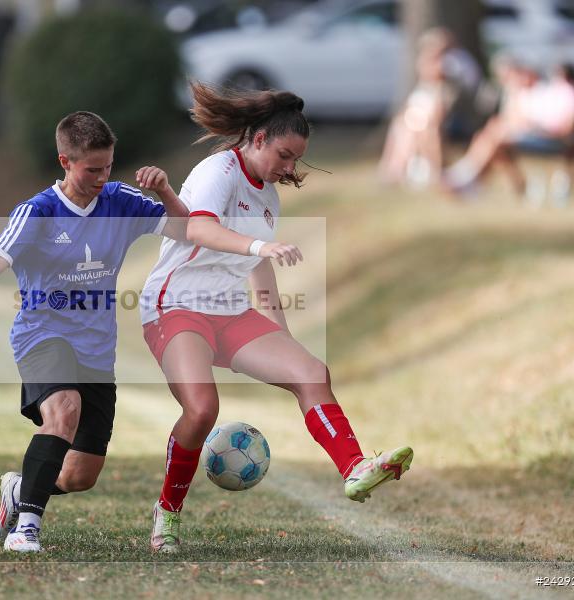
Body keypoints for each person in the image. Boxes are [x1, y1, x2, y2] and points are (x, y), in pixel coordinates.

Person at [140, 82, 413, 553]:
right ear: (260, 138)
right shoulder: (219, 169)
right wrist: (259, 245)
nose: (289, 168)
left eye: (296, 160)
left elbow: (258, 268)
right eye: (284, 156)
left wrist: (280, 336)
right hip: (175, 306)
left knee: (311, 373)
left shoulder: (268, 197)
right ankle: (167, 512)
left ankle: (355, 469)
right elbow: (199, 228)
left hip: (230, 313)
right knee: (202, 410)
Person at [0, 111, 188, 553]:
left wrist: (165, 191)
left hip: (96, 349)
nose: (103, 177)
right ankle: (25, 530)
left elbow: (183, 229)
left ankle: (18, 492)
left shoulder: (120, 201)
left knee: (80, 476)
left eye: (108, 166)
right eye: (92, 169)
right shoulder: (39, 211)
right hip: (43, 334)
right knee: (64, 410)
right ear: (65, 161)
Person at [444, 60, 574, 200]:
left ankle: (468, 176)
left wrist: (536, 127)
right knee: (494, 134)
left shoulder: (570, 94)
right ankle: (470, 178)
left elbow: (566, 127)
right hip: (538, 134)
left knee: (497, 138)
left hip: (552, 139)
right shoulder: (552, 92)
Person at [378, 28, 455, 188]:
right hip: (420, 105)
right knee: (401, 128)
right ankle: (394, 168)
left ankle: (422, 170)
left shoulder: (444, 70)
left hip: (429, 109)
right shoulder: (425, 71)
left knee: (419, 130)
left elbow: (439, 104)